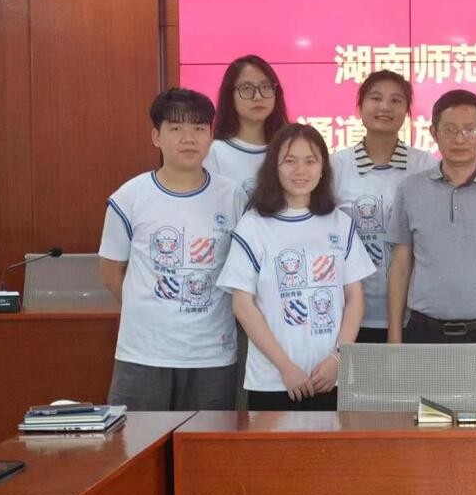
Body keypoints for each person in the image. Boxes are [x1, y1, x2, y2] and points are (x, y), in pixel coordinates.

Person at [98, 88, 248, 410]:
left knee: (206, 441)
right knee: (137, 439)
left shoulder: (233, 196)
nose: (188, 138)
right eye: (176, 128)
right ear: (156, 137)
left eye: (198, 128)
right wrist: (148, 313)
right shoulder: (130, 197)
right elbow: (110, 270)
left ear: (210, 136)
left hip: (212, 355)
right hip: (143, 354)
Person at [387, 89, 476, 410]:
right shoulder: (410, 190)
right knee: (428, 434)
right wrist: (395, 340)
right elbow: (400, 267)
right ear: (433, 133)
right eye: (449, 129)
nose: (459, 138)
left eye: (469, 130)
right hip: (425, 335)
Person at [217, 123, 374, 410]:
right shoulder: (254, 225)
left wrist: (338, 359)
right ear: (274, 167)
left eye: (310, 161)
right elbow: (242, 304)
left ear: (323, 168)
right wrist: (285, 367)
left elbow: (355, 299)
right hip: (273, 379)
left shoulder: (340, 222)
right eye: (290, 161)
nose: (300, 170)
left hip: (331, 378)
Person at [332, 70, 434, 344]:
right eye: (376, 98)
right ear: (360, 106)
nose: (385, 107)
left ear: (407, 111)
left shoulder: (424, 165)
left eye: (396, 100)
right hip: (349, 314)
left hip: (412, 315)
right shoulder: (336, 166)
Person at [206, 54, 290, 196]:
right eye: (246, 88)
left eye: (266, 87)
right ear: (229, 96)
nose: (258, 96)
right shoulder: (215, 153)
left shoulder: (289, 147)